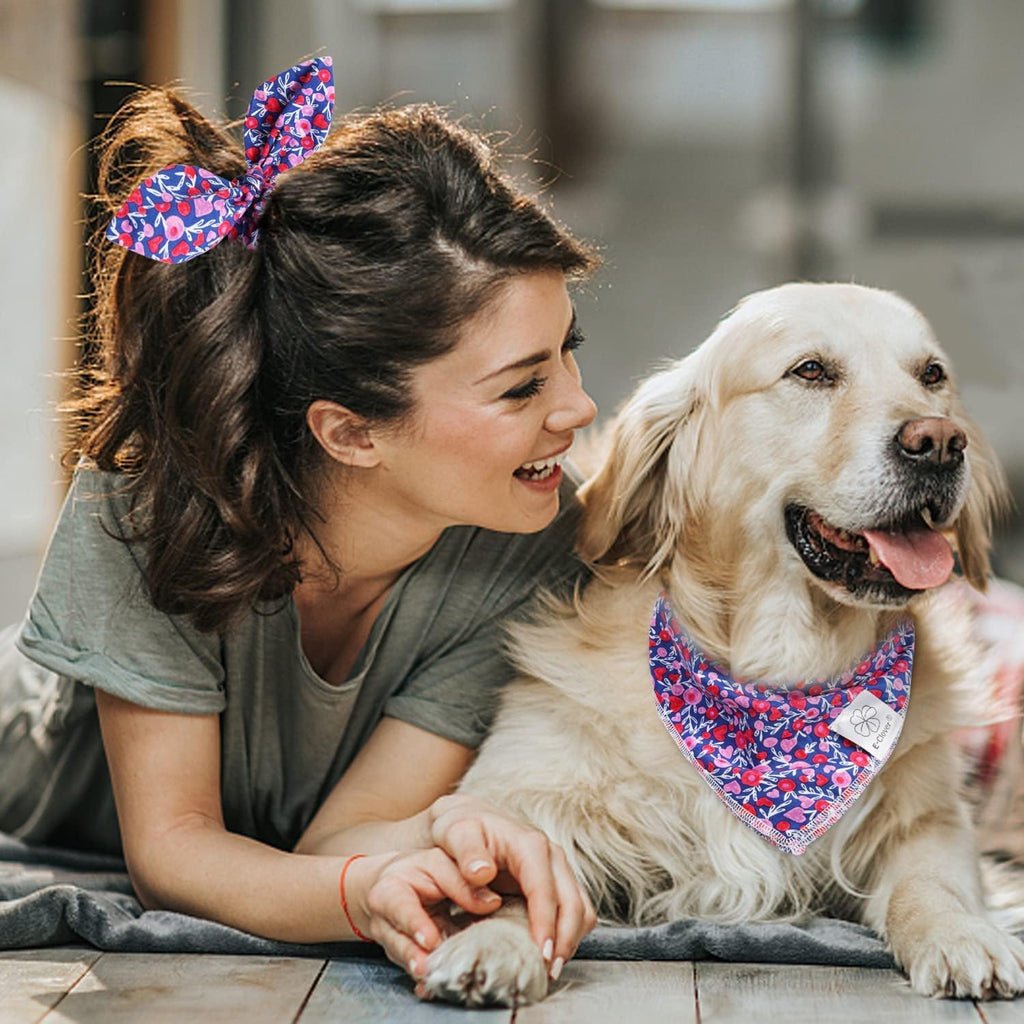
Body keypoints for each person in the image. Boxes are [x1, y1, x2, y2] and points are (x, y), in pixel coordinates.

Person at [0, 56, 599, 983]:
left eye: (569, 352)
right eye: (523, 385)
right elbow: (174, 852)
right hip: (36, 782)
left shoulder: (536, 549)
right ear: (351, 432)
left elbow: (337, 841)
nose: (578, 408)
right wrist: (363, 890)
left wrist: (450, 835)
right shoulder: (142, 508)